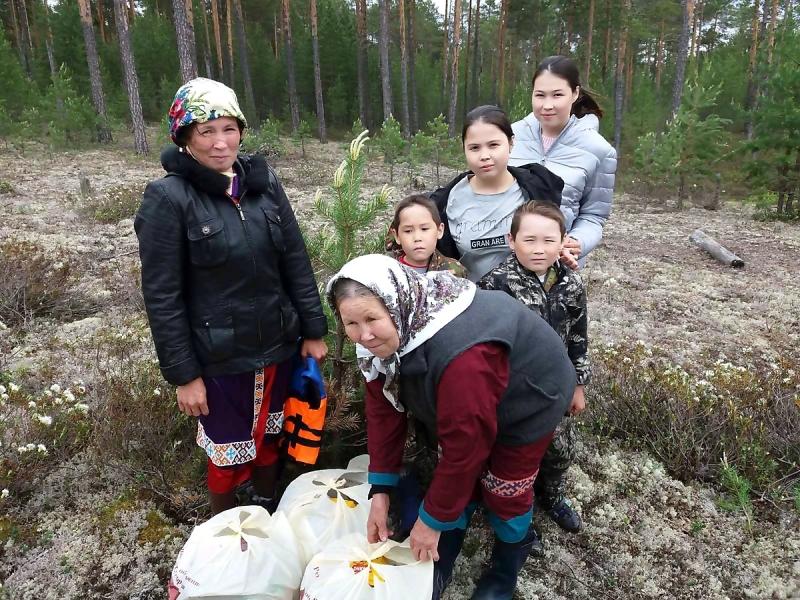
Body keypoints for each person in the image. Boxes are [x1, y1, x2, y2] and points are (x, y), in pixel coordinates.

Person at [326, 254, 576, 600]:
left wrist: (428, 522)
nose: (363, 335)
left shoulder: (463, 355)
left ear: (397, 304)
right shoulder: (390, 334)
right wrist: (380, 489)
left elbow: (466, 446)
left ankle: (509, 556)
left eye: (372, 318)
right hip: (470, 398)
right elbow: (384, 410)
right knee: (458, 469)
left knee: (507, 485)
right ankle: (449, 531)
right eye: (351, 323)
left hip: (529, 395)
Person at [134, 77, 328, 515]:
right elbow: (163, 297)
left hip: (279, 346)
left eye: (229, 128)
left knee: (271, 441)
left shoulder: (263, 185)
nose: (221, 143)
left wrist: (313, 330)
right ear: (184, 137)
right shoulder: (168, 198)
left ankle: (264, 509)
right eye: (207, 131)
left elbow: (295, 259)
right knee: (225, 454)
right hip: (218, 358)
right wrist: (184, 374)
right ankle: (223, 529)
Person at [478, 201, 589, 554]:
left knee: (559, 451)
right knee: (512, 458)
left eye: (548, 240)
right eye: (529, 240)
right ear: (512, 241)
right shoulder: (494, 284)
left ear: (562, 242)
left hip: (556, 389)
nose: (538, 248)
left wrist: (578, 383)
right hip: (512, 392)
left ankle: (552, 495)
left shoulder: (571, 283)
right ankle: (511, 515)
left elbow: (579, 336)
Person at [431, 105, 565, 282]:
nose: (484, 155)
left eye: (493, 145)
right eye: (474, 148)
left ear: (510, 143)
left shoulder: (539, 188)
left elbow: (554, 239)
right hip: (472, 301)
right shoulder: (444, 202)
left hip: (530, 302)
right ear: (464, 148)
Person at [509, 55, 617, 268]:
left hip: (557, 264)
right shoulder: (509, 136)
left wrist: (576, 242)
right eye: (540, 95)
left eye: (557, 95)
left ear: (575, 93)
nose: (547, 105)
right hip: (504, 261)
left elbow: (594, 215)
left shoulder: (599, 150)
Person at [386, 194, 466, 276]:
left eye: (424, 229)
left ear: (439, 230)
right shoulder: (386, 270)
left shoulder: (454, 271)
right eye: (408, 231)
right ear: (396, 236)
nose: (417, 238)